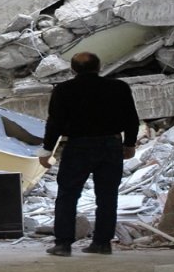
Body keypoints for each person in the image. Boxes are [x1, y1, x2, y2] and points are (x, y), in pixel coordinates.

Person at [36, 52, 139, 256]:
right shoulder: (118, 88)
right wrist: (129, 144)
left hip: (78, 147)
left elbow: (54, 122)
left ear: (73, 69)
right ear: (99, 67)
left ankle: (63, 244)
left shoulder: (64, 90)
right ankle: (102, 243)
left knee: (67, 195)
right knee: (108, 196)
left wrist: (47, 150)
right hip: (110, 145)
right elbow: (131, 118)